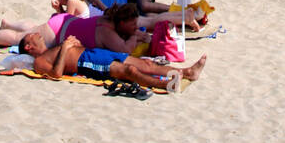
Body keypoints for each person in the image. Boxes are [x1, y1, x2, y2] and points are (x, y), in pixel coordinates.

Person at [22, 33, 207, 94]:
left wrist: (73, 44)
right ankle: (166, 84)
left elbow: (69, 50)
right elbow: (56, 74)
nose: (37, 34)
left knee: (146, 64)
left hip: (93, 53)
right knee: (129, 70)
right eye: (32, 36)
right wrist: (65, 48)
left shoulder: (51, 48)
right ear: (29, 46)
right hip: (87, 63)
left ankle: (188, 71)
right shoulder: (39, 61)